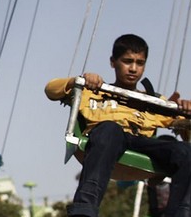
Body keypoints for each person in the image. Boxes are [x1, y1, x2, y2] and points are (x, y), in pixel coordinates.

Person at [45, 33, 191, 217]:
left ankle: (181, 213)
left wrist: (185, 111)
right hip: (107, 140)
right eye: (127, 61)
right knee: (110, 129)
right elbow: (51, 89)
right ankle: (84, 209)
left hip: (141, 143)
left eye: (139, 63)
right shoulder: (95, 91)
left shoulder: (153, 100)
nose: (133, 69)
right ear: (113, 62)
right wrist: (78, 80)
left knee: (186, 151)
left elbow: (179, 123)